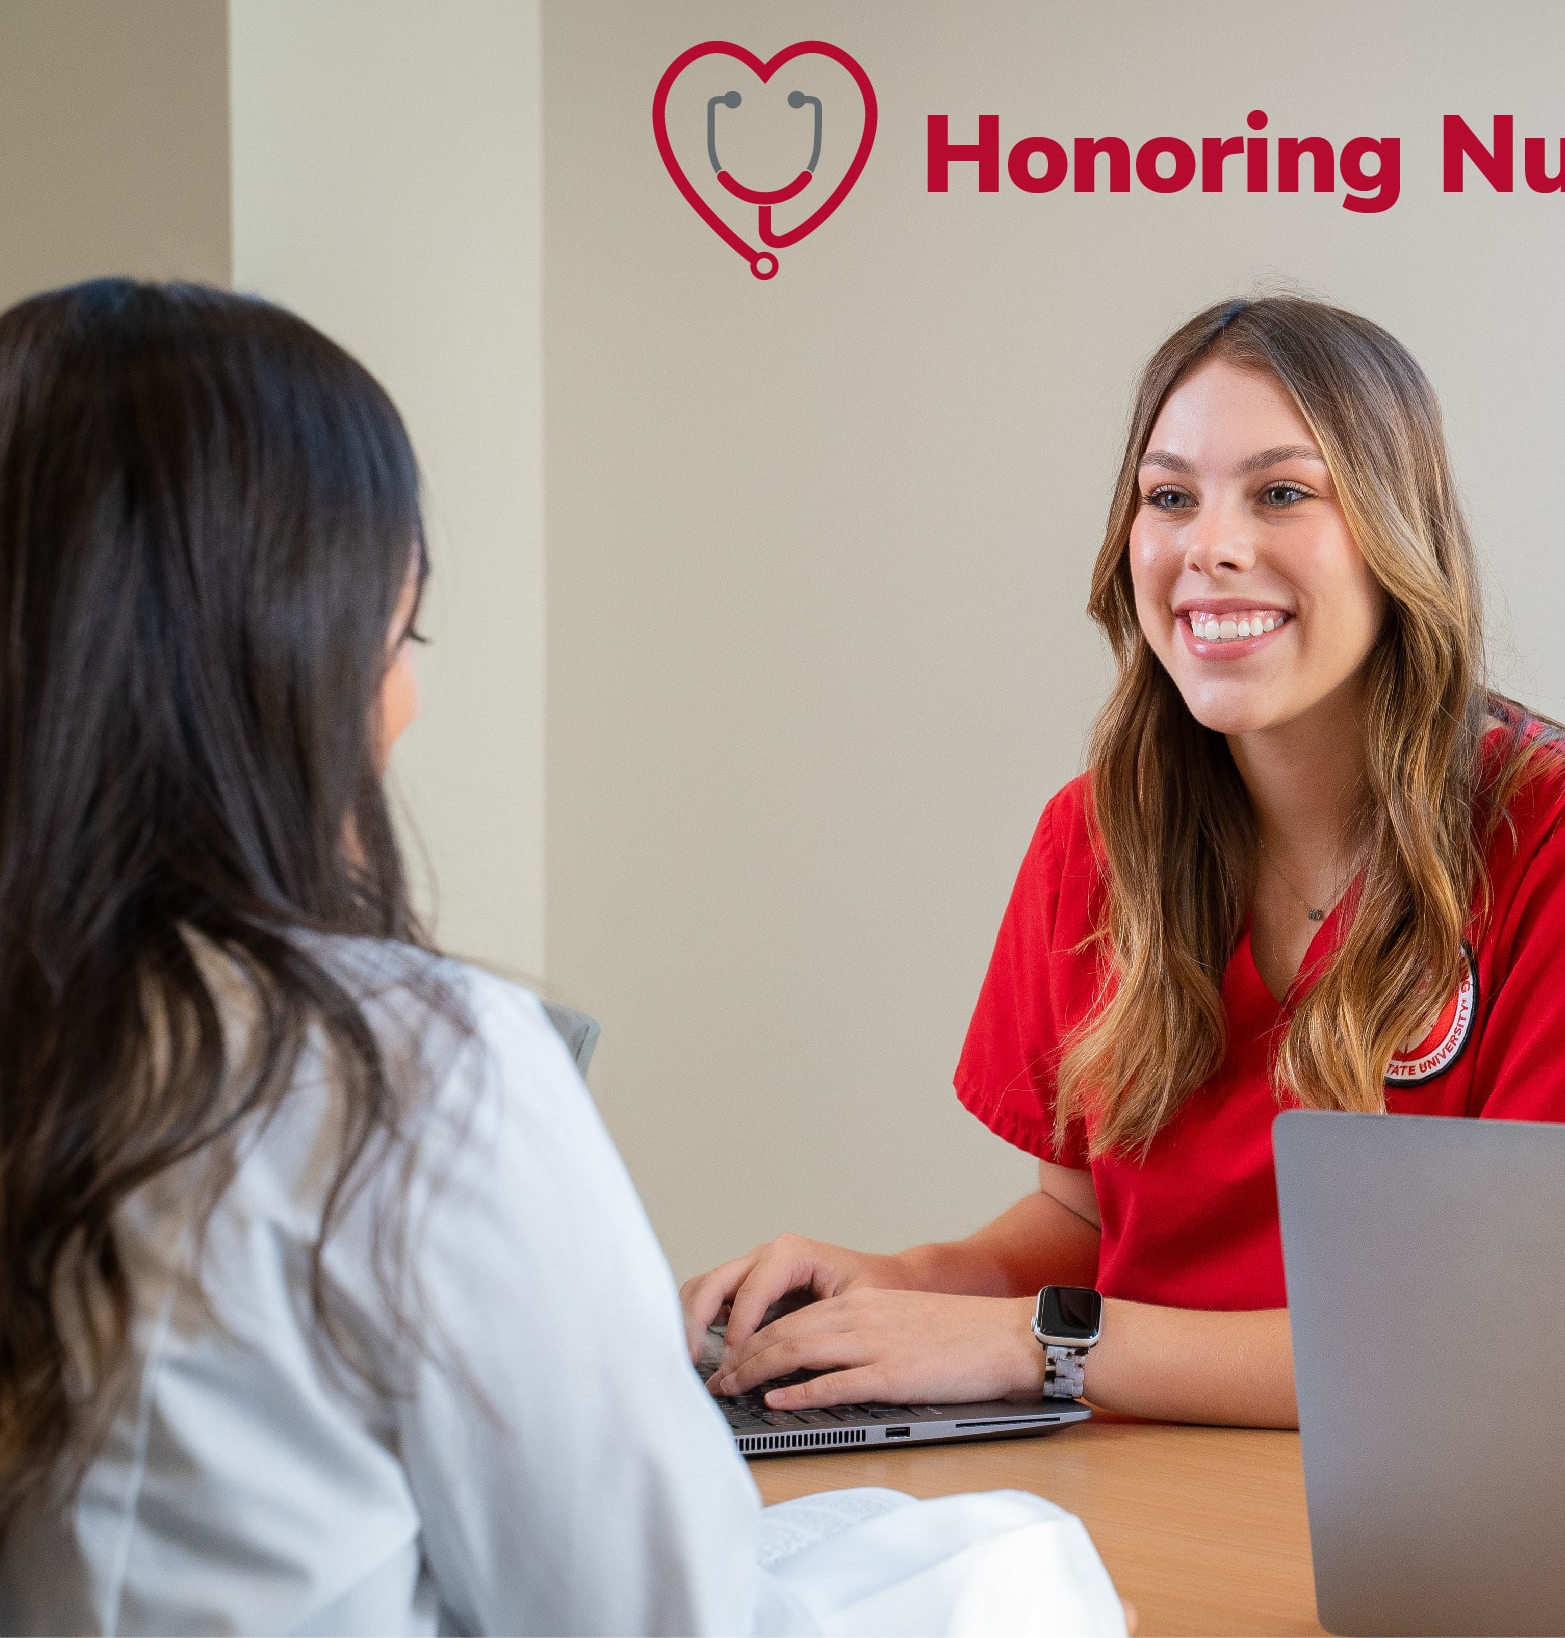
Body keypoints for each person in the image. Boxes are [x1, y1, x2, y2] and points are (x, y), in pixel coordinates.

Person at [0, 280, 1122, 1635]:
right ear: (290, 660)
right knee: (1020, 1560)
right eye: (397, 632)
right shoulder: (406, 1069)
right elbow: (660, 1611)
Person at [688, 297, 1565, 1428]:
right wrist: (904, 1283)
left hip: (1445, 1520)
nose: (1209, 546)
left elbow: (1545, 1339)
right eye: (1169, 497)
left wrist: (1039, 1343)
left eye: (1281, 492)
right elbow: (1091, 1225)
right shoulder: (1096, 835)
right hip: (1135, 1482)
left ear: (1396, 534)